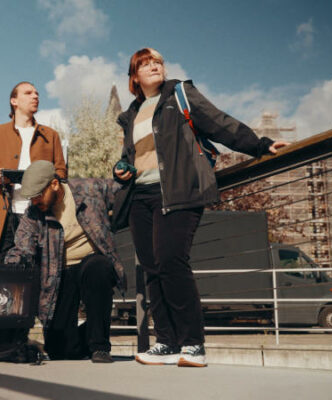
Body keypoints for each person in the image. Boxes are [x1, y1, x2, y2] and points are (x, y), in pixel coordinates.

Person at [113, 47, 289, 367]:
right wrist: (121, 168)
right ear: (134, 77)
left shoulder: (180, 94)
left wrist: (259, 145)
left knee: (171, 261)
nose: (154, 66)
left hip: (179, 190)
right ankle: (165, 342)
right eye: (145, 63)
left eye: (158, 62)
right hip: (140, 197)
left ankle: (193, 343)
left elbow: (220, 123)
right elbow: (132, 155)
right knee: (152, 270)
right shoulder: (133, 113)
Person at [5, 161, 123, 363]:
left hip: (91, 263)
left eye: (38, 195)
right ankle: (90, 331)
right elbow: (22, 246)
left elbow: (124, 194)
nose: (34, 202)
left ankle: (99, 346)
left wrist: (123, 174)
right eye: (31, 198)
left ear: (54, 184)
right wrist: (9, 266)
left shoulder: (90, 189)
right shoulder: (33, 213)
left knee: (98, 268)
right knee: (60, 350)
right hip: (60, 274)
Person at [0, 82, 67, 264]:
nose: (35, 96)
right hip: (4, 214)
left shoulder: (50, 135)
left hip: (39, 212)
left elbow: (61, 171)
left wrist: (49, 181)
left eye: (36, 93)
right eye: (28, 93)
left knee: (37, 270)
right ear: (14, 101)